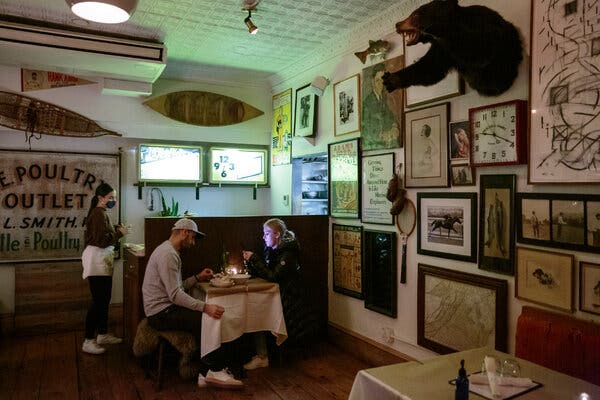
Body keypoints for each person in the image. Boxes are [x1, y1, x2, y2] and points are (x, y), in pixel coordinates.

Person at [142, 218, 243, 389]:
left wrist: (197, 278)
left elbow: (176, 288)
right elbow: (175, 295)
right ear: (184, 232)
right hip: (160, 314)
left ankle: (205, 374)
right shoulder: (168, 255)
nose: (194, 242)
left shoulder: (168, 251)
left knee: (206, 317)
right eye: (193, 237)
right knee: (209, 319)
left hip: (162, 310)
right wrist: (206, 307)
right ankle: (214, 370)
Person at [242, 218, 319, 370]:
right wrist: (251, 263)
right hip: (278, 294)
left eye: (267, 233)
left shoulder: (288, 253)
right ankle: (262, 354)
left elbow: (273, 276)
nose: (263, 237)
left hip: (290, 300)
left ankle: (263, 356)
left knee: (258, 311)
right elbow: (266, 273)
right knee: (255, 309)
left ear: (277, 234)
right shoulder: (272, 250)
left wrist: (254, 259)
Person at [81, 182, 129, 355]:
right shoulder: (98, 214)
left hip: (101, 261)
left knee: (104, 299)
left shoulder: (101, 213)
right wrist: (120, 234)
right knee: (98, 301)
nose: (113, 201)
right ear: (100, 198)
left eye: (114, 198)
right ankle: (88, 340)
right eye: (111, 198)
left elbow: (102, 235)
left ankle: (102, 334)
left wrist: (115, 230)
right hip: (97, 261)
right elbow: (102, 241)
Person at [361, 63, 399, 149]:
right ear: (372, 82)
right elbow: (366, 131)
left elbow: (390, 116)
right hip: (374, 145)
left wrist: (394, 126)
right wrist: (381, 135)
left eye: (382, 81)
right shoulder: (367, 103)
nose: (380, 85)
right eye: (377, 81)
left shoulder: (383, 99)